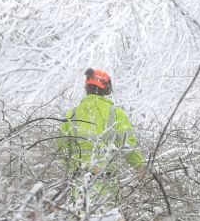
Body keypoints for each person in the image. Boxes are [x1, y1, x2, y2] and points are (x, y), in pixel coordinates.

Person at [58, 68, 143, 213]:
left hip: (78, 181)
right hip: (106, 182)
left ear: (87, 88)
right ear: (106, 88)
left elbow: (62, 152)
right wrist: (140, 167)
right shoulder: (115, 113)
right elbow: (128, 146)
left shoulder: (71, 115)